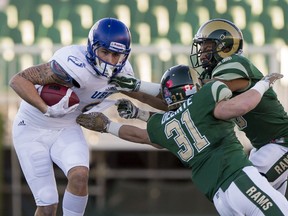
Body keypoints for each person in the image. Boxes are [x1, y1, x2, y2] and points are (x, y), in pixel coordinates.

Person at [76, 65, 288, 215]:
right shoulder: (206, 97)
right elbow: (239, 106)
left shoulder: (163, 125)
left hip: (220, 200)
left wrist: (107, 125)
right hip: (238, 179)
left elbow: (141, 136)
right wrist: (263, 84)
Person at [9, 17, 136, 216]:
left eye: (116, 54)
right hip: (33, 127)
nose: (110, 60)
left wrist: (175, 103)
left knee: (79, 175)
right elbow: (18, 80)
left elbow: (147, 96)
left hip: (67, 126)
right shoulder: (73, 64)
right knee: (48, 204)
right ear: (92, 48)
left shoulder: (123, 73)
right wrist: (46, 108)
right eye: (105, 52)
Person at [189, 18, 288, 196]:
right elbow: (186, 100)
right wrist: (137, 88)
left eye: (207, 47)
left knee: (246, 190)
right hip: (264, 147)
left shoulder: (236, 64)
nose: (202, 53)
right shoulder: (217, 75)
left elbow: (200, 97)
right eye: (201, 48)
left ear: (226, 47)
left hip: (282, 144)